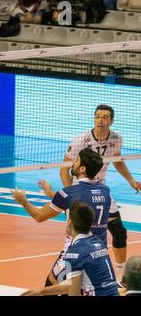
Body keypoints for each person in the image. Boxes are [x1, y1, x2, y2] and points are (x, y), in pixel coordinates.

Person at [40, 104, 140, 285]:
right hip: (81, 188)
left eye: (104, 117)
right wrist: (72, 194)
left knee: (119, 231)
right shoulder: (80, 140)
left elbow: (117, 160)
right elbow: (64, 170)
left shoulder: (116, 139)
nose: (100, 121)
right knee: (80, 234)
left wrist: (131, 180)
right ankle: (71, 271)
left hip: (101, 189)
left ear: (111, 121)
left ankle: (121, 275)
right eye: (97, 117)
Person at [12, 148, 114, 286]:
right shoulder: (105, 191)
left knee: (51, 285)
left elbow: (39, 216)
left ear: (82, 168)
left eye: (76, 161)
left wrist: (22, 200)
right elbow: (80, 201)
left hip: (77, 250)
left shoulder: (69, 193)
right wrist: (50, 193)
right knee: (78, 289)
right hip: (100, 252)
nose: (73, 163)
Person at [21, 201, 119, 296]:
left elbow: (74, 293)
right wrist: (41, 292)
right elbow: (73, 285)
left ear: (70, 222)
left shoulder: (75, 252)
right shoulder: (98, 242)